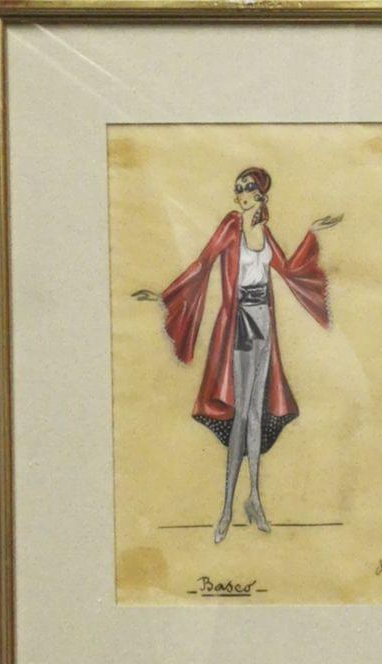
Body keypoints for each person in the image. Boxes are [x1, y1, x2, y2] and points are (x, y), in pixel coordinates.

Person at [133, 167, 340, 543]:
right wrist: (165, 296)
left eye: (246, 188)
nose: (240, 193)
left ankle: (255, 499)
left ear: (260, 195)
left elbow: (288, 270)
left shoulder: (265, 231)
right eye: (238, 188)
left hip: (264, 324)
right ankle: (227, 509)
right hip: (239, 325)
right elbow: (203, 263)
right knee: (242, 416)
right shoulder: (231, 225)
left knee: (257, 415)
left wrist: (312, 233)